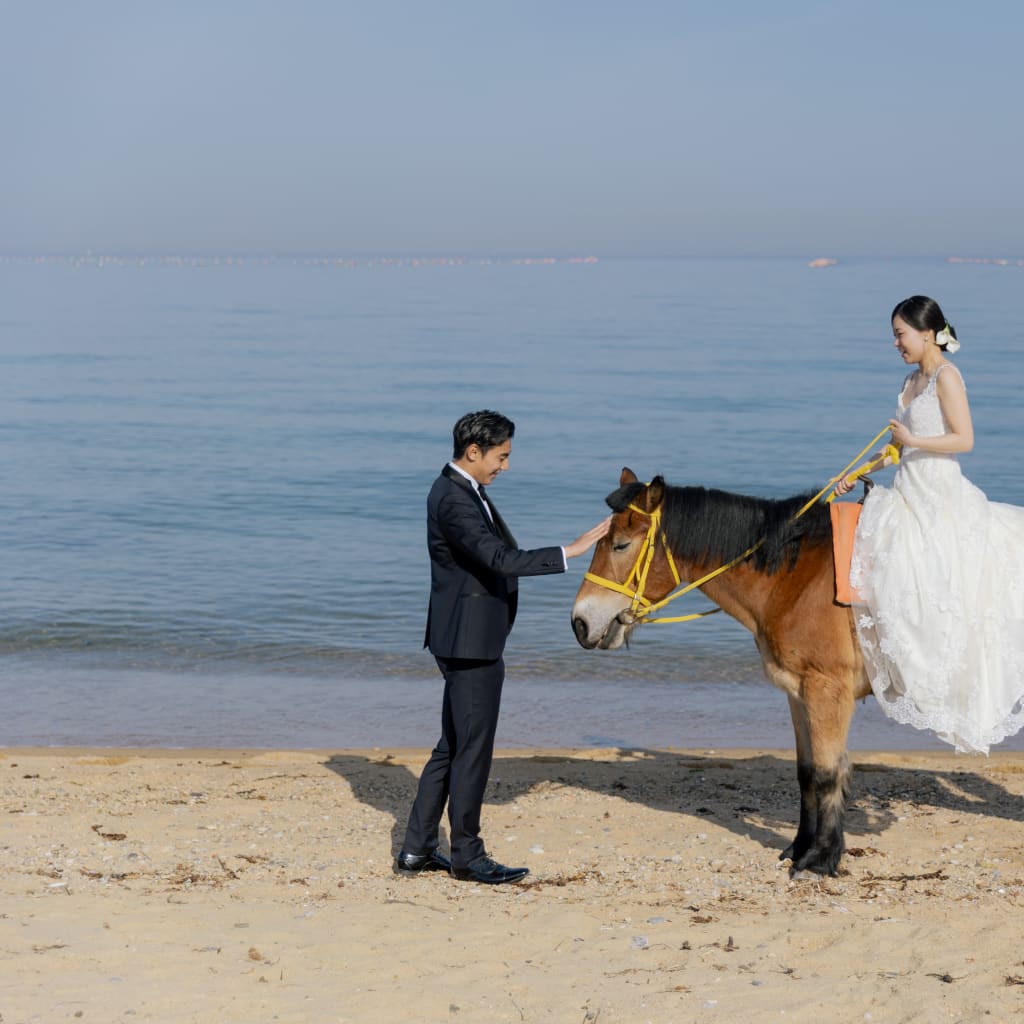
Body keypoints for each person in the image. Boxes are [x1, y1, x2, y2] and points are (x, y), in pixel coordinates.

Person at [395, 410, 611, 884]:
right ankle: (467, 856)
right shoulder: (452, 497)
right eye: (501, 456)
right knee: (472, 749)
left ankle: (416, 849)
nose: (505, 467)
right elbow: (498, 559)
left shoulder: (465, 490)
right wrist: (568, 552)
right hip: (470, 643)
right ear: (473, 452)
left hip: (465, 635)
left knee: (453, 745)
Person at [836, 296, 1024, 754]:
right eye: (894, 335)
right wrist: (863, 470)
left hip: (940, 494)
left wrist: (913, 438)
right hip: (907, 487)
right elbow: (900, 450)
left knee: (933, 579)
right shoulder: (909, 380)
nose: (896, 343)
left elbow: (964, 439)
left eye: (901, 334)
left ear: (926, 333)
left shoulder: (947, 377)